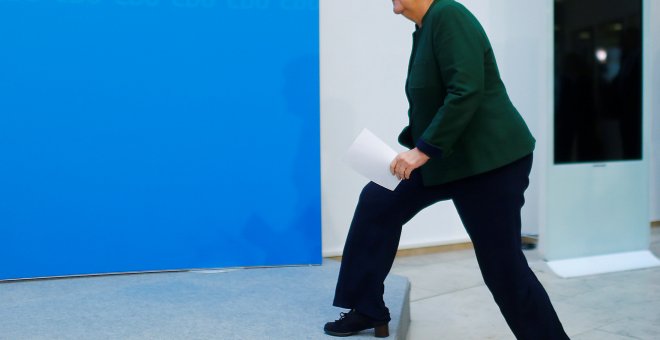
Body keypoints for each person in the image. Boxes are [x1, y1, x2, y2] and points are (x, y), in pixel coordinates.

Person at [323, 0, 570, 339]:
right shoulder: (424, 29)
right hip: (448, 158)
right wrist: (414, 149)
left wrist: (422, 150)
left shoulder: (448, 15)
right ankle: (368, 308)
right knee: (378, 201)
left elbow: (465, 90)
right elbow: (432, 102)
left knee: (503, 268)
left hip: (489, 163)